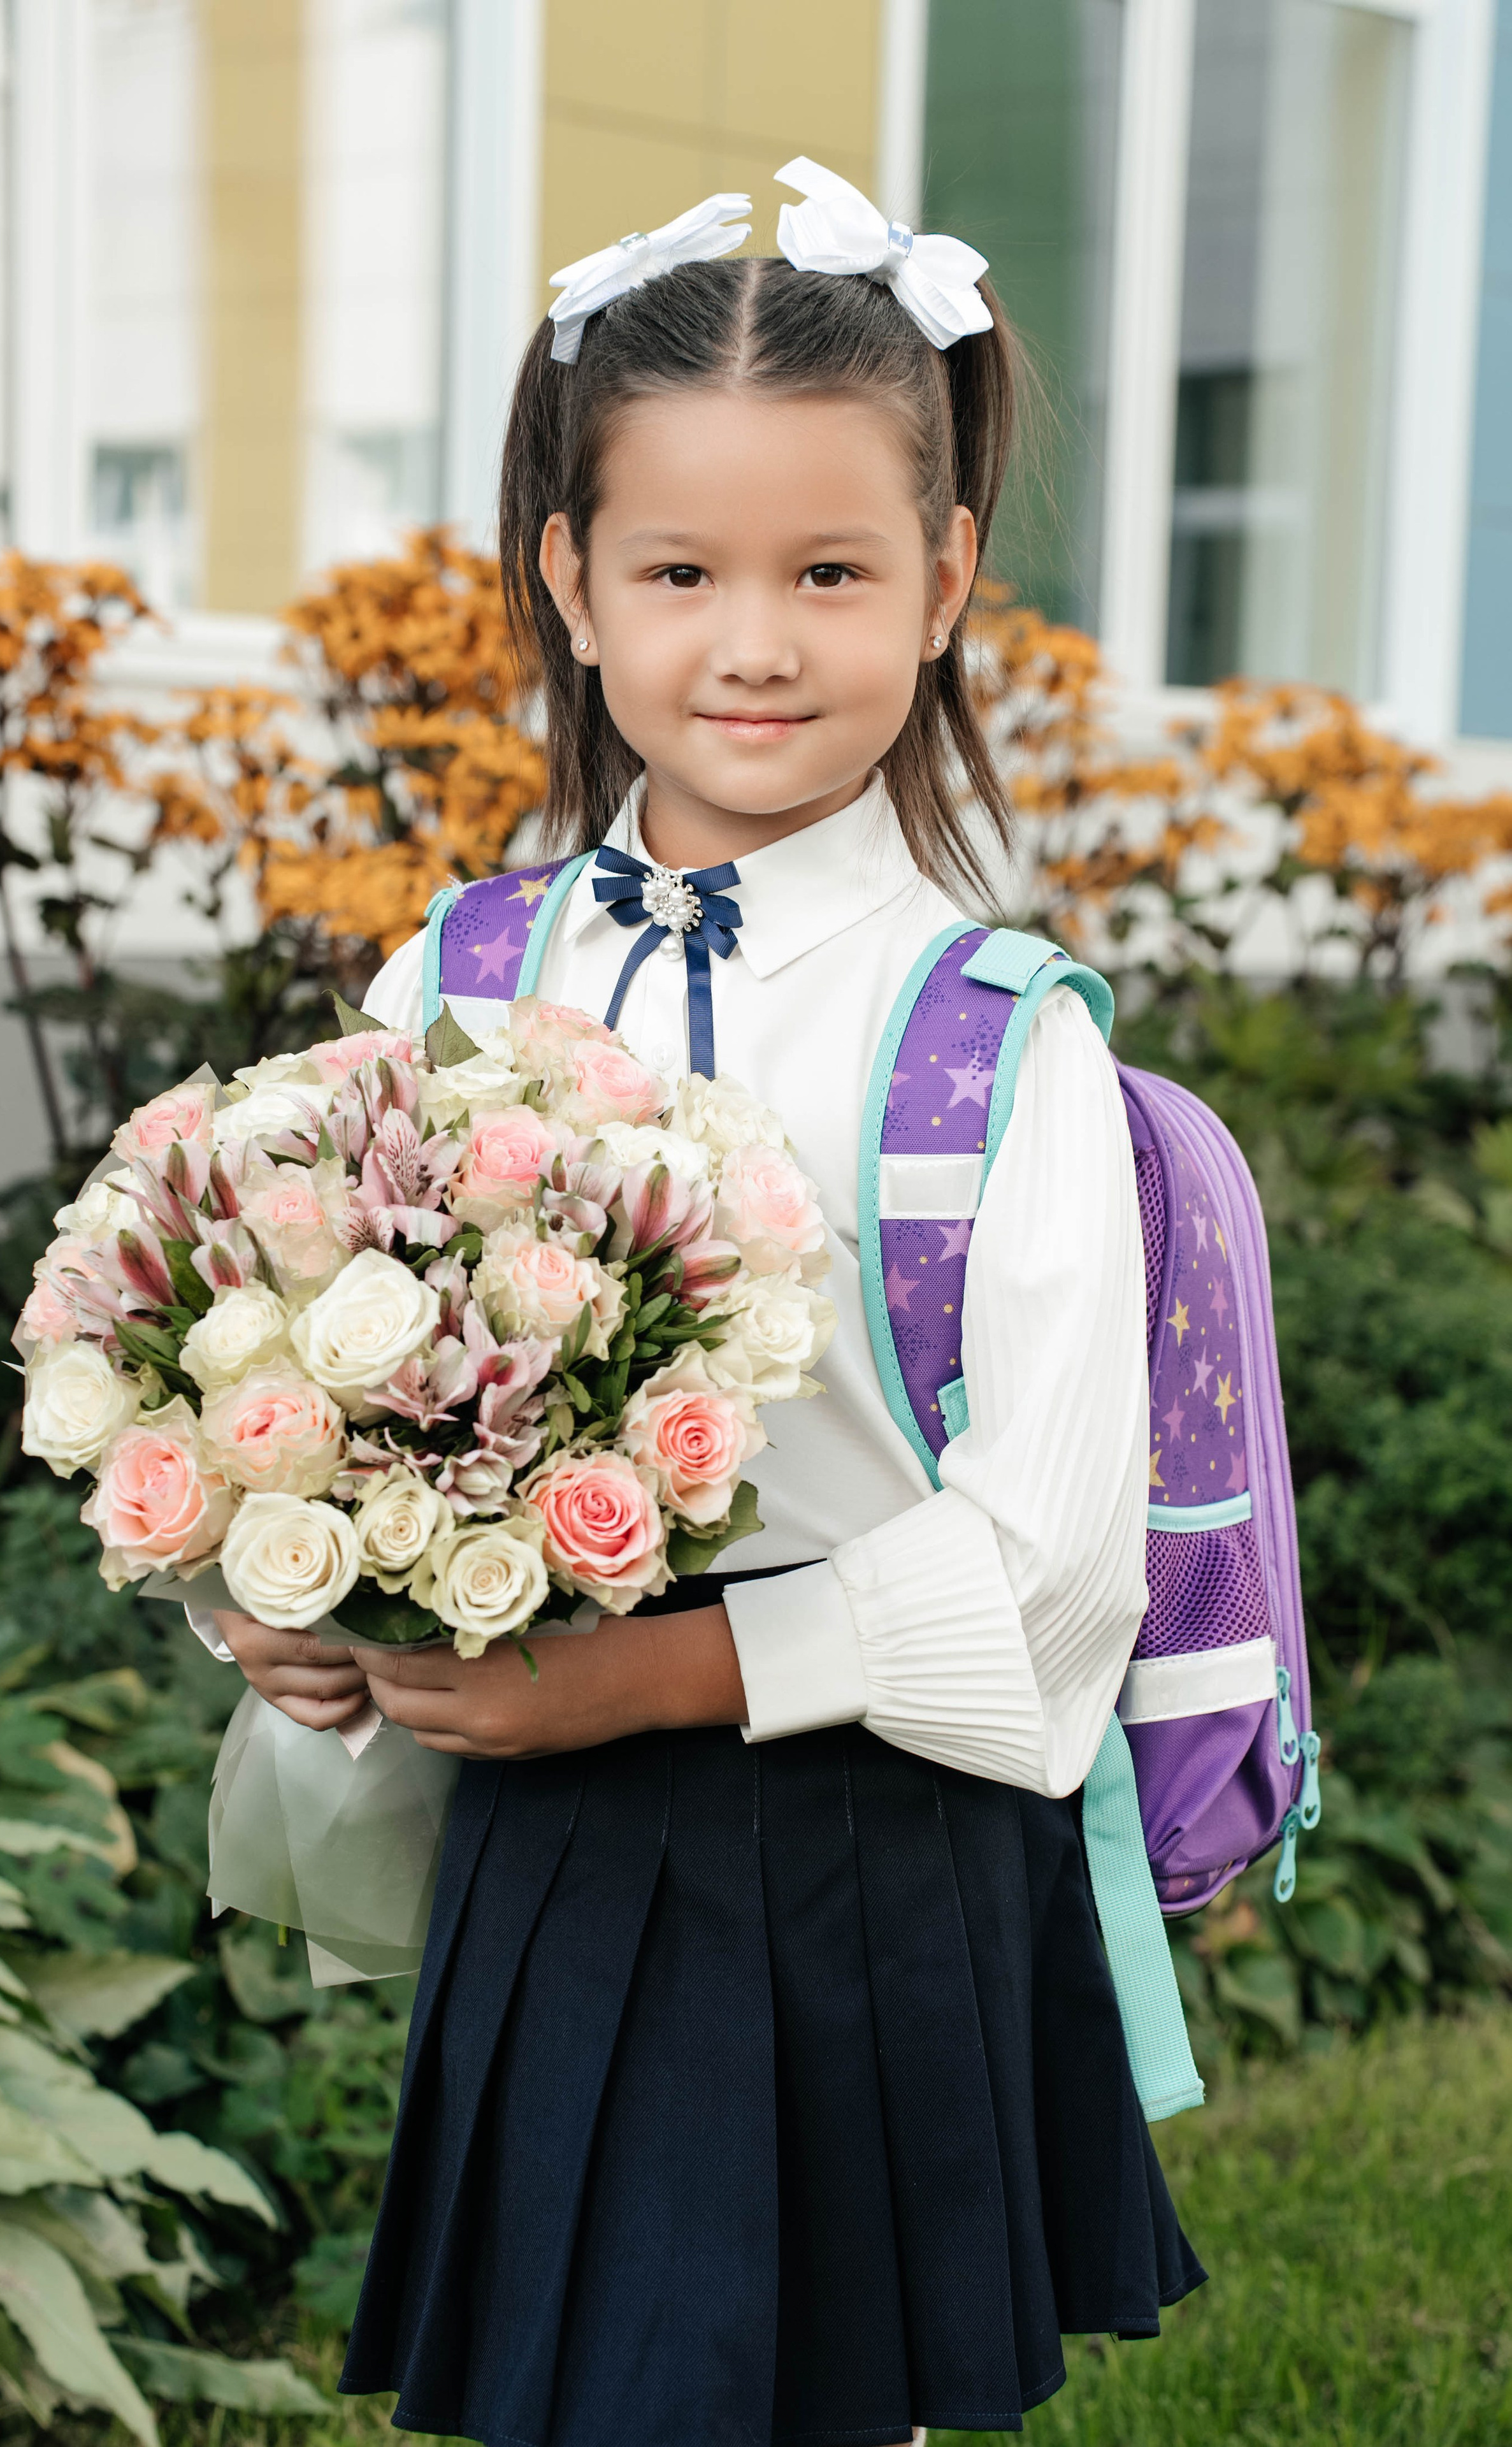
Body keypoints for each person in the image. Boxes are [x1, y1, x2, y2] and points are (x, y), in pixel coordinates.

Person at [213, 162, 1205, 2446]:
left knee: (815, 2398)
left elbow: (1051, 1567)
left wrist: (646, 1673)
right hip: (553, 1847)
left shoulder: (1000, 1037)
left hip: (863, 1832)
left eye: (831, 573)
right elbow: (291, 1365)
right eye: (680, 573)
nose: (754, 643)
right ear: (572, 583)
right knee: (590, 2381)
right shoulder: (453, 984)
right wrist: (280, 1600)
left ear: (946, 580)